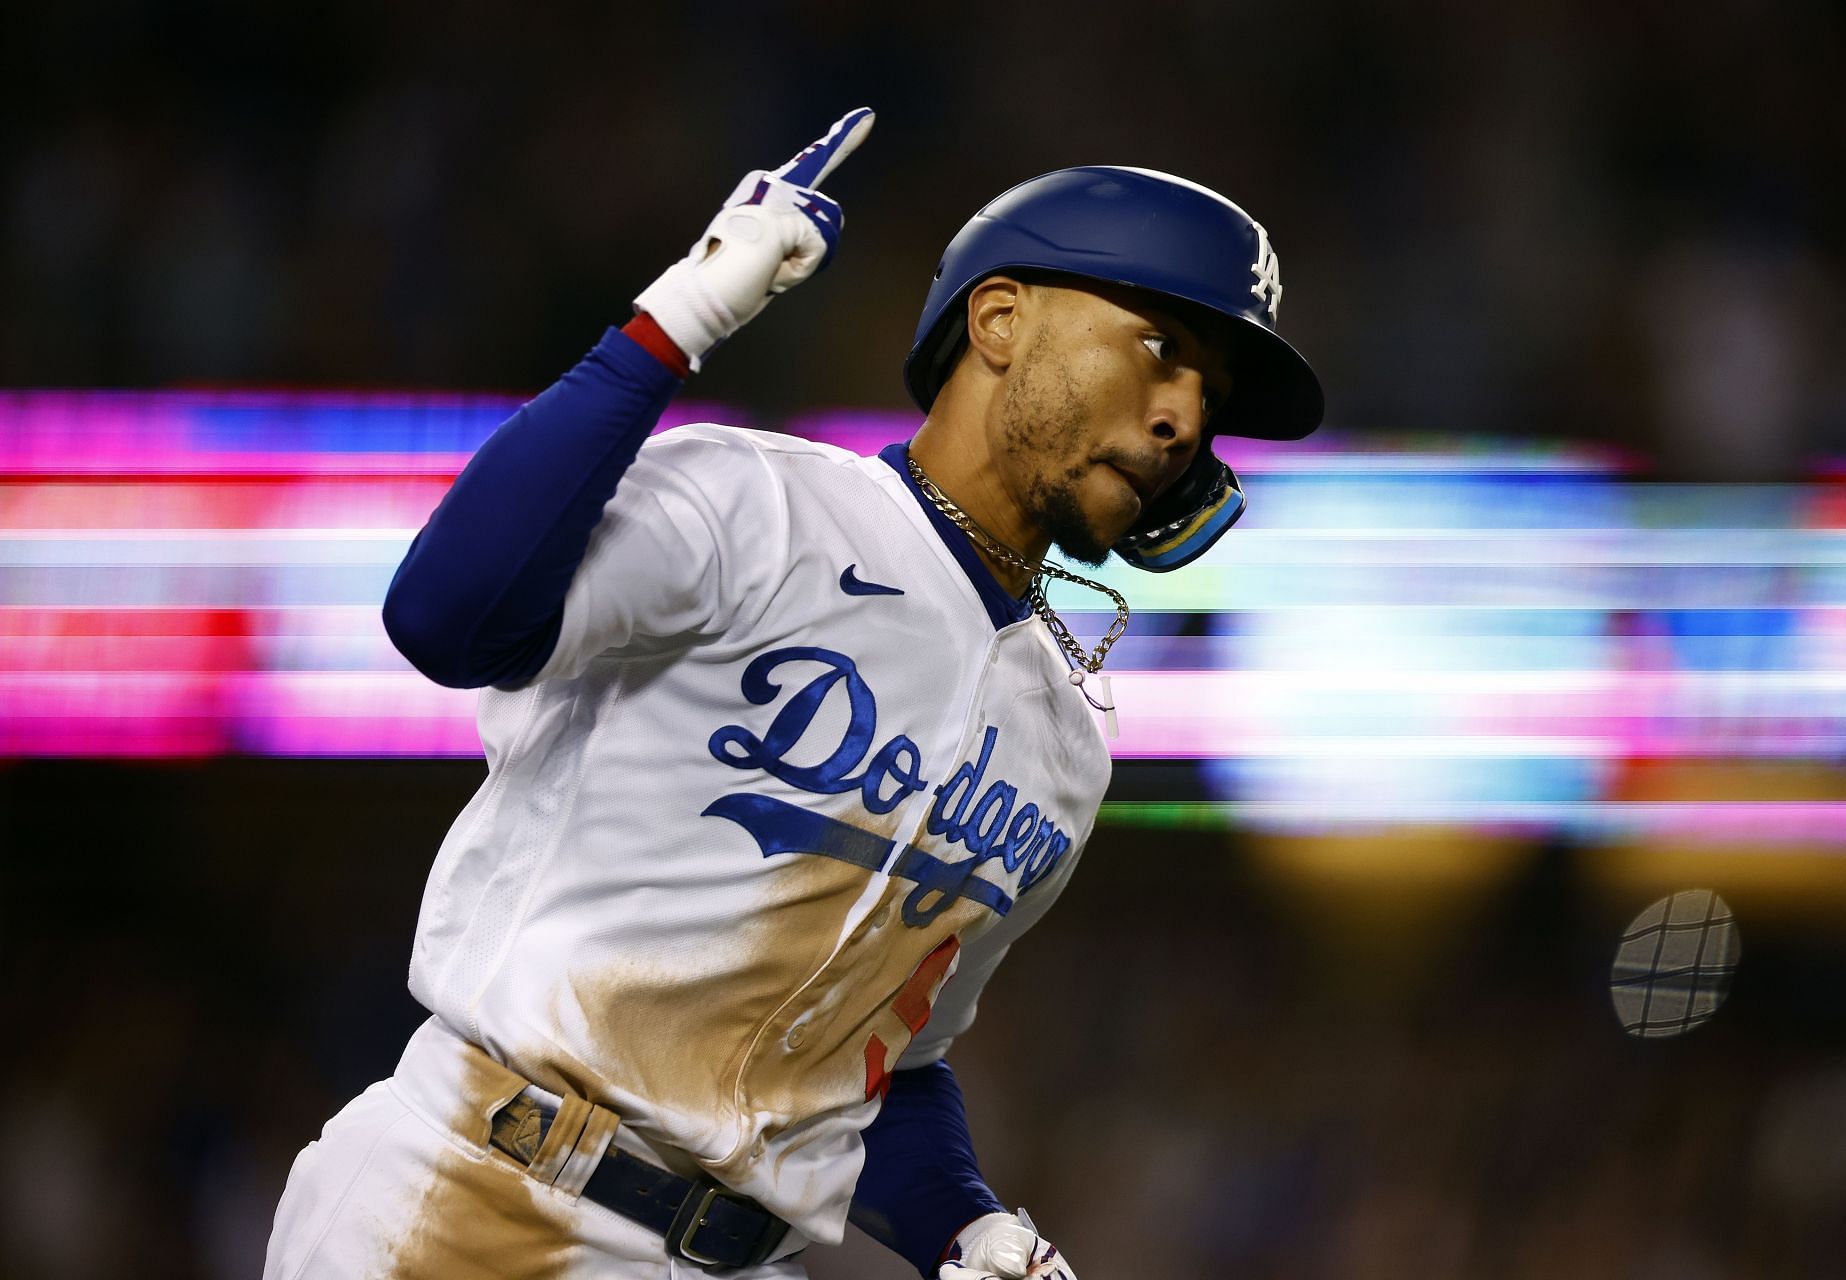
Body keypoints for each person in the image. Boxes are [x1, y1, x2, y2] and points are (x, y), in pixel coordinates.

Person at [264, 108, 1322, 1279]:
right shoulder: (758, 506)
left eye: (1209, 393)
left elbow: (875, 1061)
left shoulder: (1067, 743)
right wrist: (674, 323)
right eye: (1159, 346)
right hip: (478, 1196)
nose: (1183, 418)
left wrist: (963, 1224)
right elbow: (449, 614)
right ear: (1002, 318)